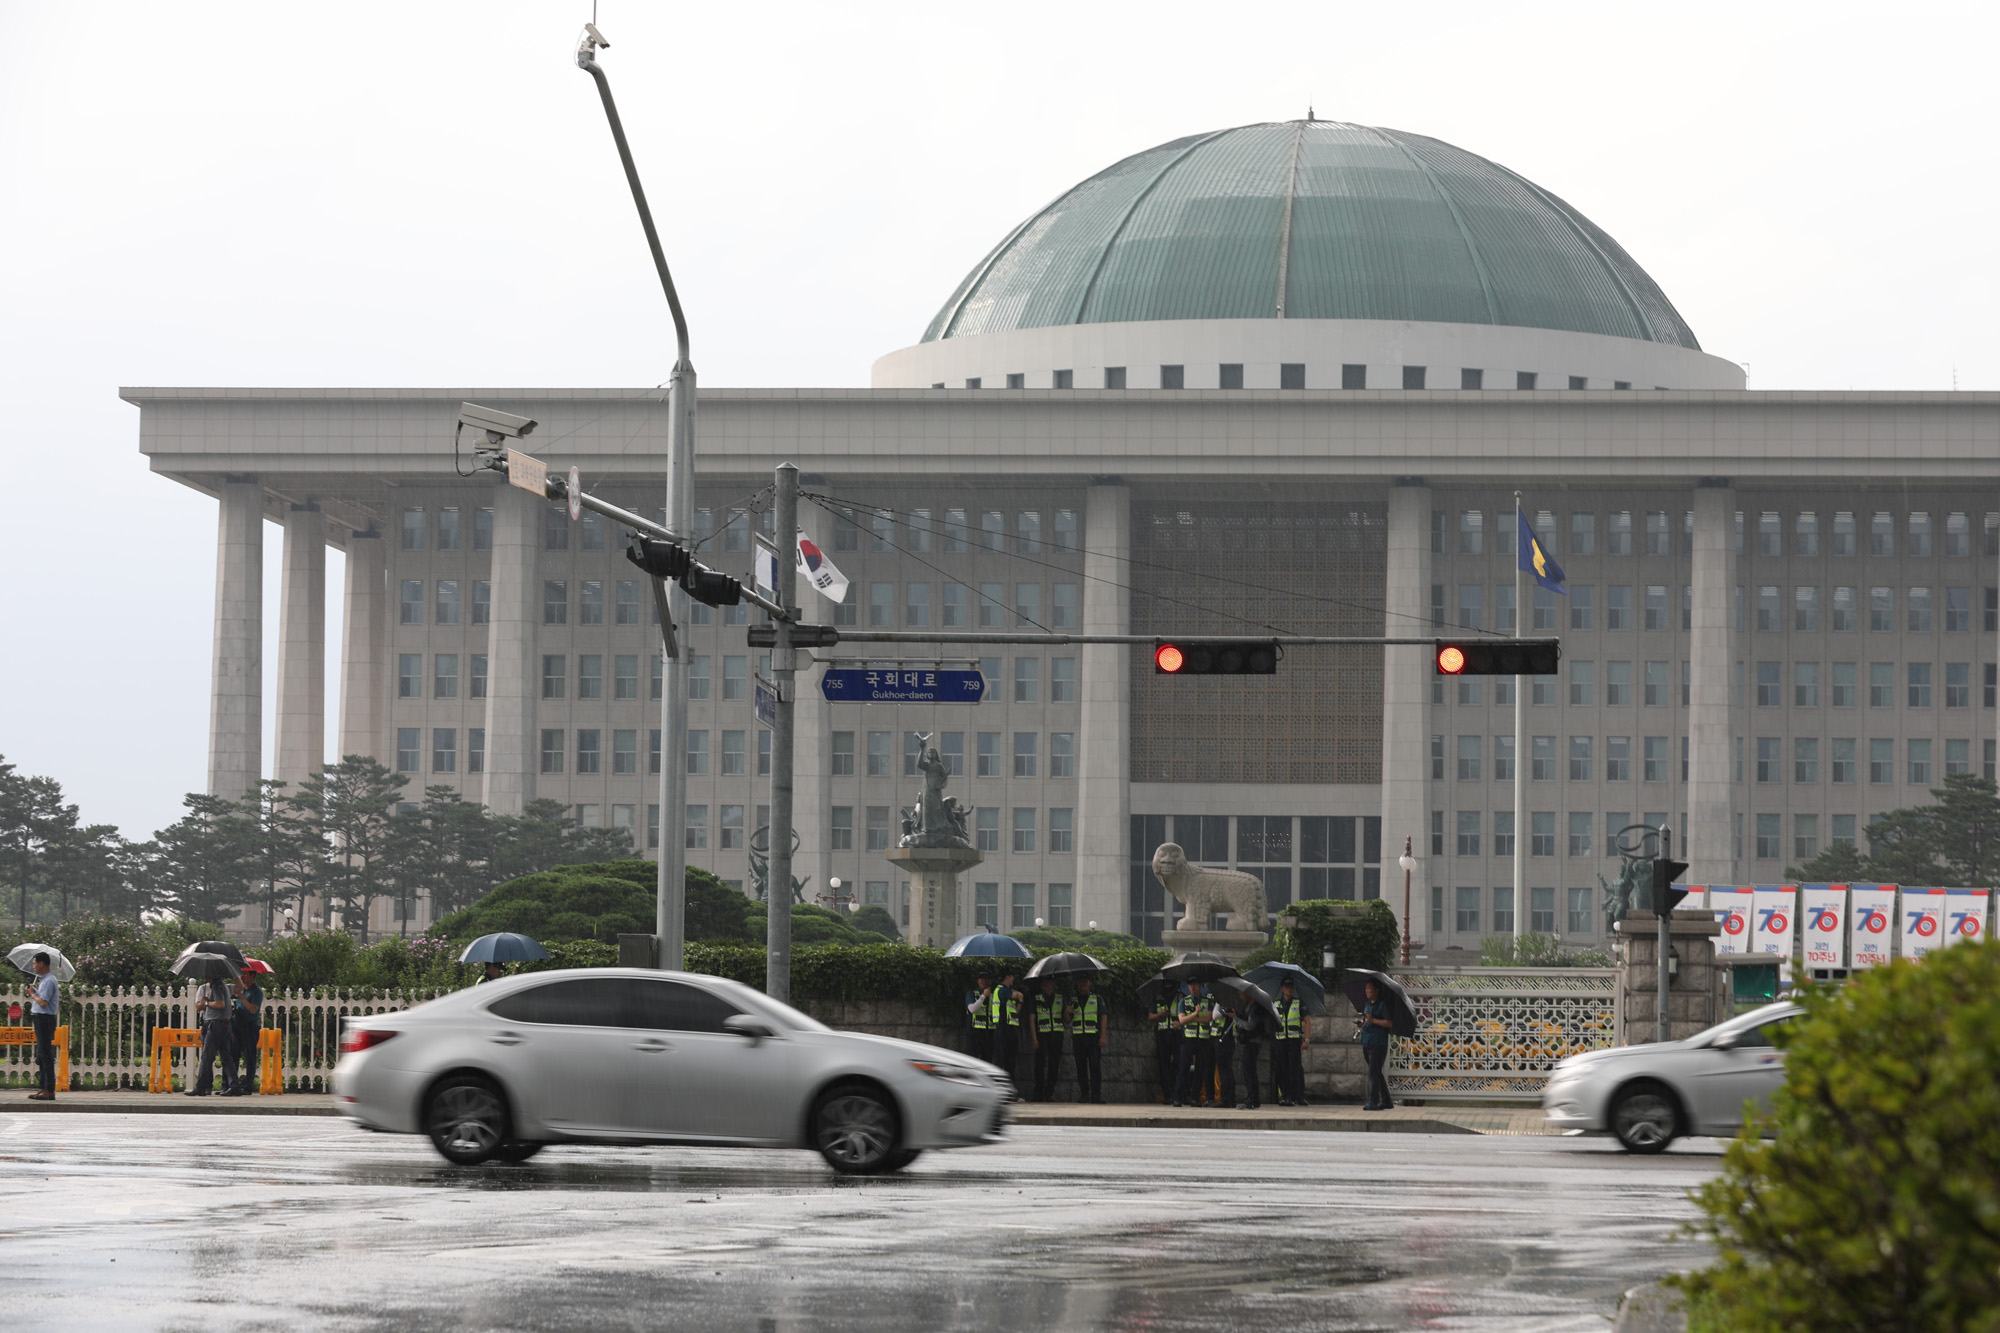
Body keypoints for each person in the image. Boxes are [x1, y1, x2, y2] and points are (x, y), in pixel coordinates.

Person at [188, 972, 235, 1097]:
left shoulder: (216, 986)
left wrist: (207, 1002)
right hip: (225, 1024)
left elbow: (220, 1004)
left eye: (207, 974)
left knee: (206, 1056)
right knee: (226, 1057)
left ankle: (201, 1087)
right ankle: (234, 1085)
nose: (205, 977)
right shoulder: (223, 985)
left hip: (216, 1024)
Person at [1173, 983, 1217, 1107]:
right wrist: (1195, 1013)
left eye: (1195, 985)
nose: (1193, 988)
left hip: (1203, 1039)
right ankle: (1177, 1097)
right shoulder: (1184, 1001)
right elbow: (1181, 1020)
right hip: (1188, 1039)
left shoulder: (1207, 1001)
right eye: (1190, 985)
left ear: (1200, 986)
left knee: (1200, 1070)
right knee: (1183, 1069)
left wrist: (1191, 1018)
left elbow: (1208, 1018)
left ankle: (1195, 1098)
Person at [223, 970, 265, 1096]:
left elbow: (253, 1009)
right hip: (238, 1026)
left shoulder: (256, 992)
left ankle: (247, 1086)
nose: (242, 977)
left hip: (250, 1027)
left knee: (249, 1057)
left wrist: (241, 997)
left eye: (245, 975)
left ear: (252, 975)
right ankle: (232, 1084)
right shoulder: (241, 989)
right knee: (233, 1055)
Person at [1357, 978, 1396, 1111]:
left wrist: (1373, 1020)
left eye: (1370, 988)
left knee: (1374, 1072)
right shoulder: (1367, 1004)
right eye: (1366, 988)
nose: (1367, 991)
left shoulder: (1382, 1005)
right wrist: (1362, 1023)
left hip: (1378, 1043)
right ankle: (1386, 1100)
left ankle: (1374, 1100)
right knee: (1376, 1072)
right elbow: (1366, 1020)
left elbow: (1389, 1023)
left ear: (1376, 990)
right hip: (1367, 1042)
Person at [24, 953, 58, 1101]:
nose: (34, 966)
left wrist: (32, 994)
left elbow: (43, 1003)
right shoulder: (45, 980)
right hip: (40, 1018)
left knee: (46, 1055)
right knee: (41, 1055)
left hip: (44, 1019)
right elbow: (43, 999)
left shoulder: (49, 980)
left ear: (41, 964)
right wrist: (36, 991)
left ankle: (49, 1089)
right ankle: (44, 1087)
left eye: (34, 963)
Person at [1067, 973, 1105, 1103]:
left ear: (1089, 983)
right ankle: (1084, 1095)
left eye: (1085, 981)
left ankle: (1096, 1096)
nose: (1082, 984)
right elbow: (1066, 1020)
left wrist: (1103, 1036)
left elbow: (1103, 1017)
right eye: (1080, 981)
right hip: (1078, 1037)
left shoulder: (1097, 998)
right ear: (1077, 984)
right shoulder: (1073, 1000)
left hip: (1093, 1036)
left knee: (1095, 1066)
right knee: (1081, 1067)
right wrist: (1067, 1012)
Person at [1273, 976, 1309, 1107]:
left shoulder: (1299, 1003)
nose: (1290, 989)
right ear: (1282, 988)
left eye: (1291, 987)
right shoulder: (1275, 1004)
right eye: (1287, 987)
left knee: (1296, 1068)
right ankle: (1287, 1095)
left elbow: (1307, 1021)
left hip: (1294, 1040)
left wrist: (1306, 1039)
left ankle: (1299, 1096)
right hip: (1280, 1040)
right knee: (1282, 1069)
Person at [1029, 976, 1065, 1101]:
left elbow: (1066, 1019)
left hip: (1056, 1035)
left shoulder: (1060, 998)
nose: (1045, 984)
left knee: (1054, 1064)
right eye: (1044, 982)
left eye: (1048, 981)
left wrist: (1068, 1012)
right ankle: (1038, 1093)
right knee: (1039, 1064)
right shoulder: (1036, 999)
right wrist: (1034, 1038)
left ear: (1053, 983)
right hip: (1042, 1035)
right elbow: (1032, 1019)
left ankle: (1049, 1093)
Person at [1146, 983, 1181, 1103]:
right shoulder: (1157, 998)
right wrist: (1160, 1014)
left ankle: (1178, 1093)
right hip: (1162, 1033)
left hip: (1177, 1034)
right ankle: (1168, 1094)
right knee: (1163, 1064)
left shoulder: (1181, 997)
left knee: (1178, 1063)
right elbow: (1150, 1017)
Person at [993, 969, 1024, 1091]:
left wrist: (1020, 1000)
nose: (1013, 980)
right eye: (1012, 977)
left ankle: (1010, 1090)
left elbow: (1016, 1011)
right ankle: (1001, 1090)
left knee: (1011, 1061)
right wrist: (1019, 996)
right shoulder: (1001, 989)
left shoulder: (1007, 991)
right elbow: (1016, 995)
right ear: (1007, 977)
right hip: (1002, 1028)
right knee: (1002, 1060)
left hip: (1010, 1029)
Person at [1234, 995, 1265, 1110]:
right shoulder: (1248, 1006)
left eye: (1242, 993)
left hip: (1251, 1042)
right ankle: (1253, 1099)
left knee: (1250, 1071)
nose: (1240, 995)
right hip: (1246, 1041)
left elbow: (1250, 1025)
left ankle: (1252, 1099)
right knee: (1248, 1071)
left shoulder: (1256, 1007)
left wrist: (1235, 1018)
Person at [966, 971, 996, 1065]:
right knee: (972, 1060)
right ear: (978, 981)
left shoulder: (994, 995)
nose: (984, 981)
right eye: (981, 979)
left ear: (990, 981)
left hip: (989, 1033)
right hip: (974, 1032)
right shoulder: (972, 993)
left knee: (987, 1061)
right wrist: (983, 996)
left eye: (986, 979)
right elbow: (972, 1009)